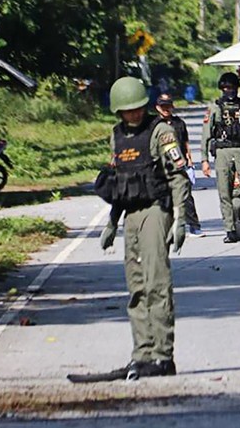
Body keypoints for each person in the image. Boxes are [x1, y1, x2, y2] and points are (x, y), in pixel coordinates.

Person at [69, 77, 189, 383]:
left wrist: (180, 219)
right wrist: (111, 222)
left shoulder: (160, 132)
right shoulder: (117, 137)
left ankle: (163, 355)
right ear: (118, 112)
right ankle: (142, 354)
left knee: (156, 284)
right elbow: (120, 182)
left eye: (137, 109)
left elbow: (177, 177)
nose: (133, 115)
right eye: (127, 111)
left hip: (154, 210)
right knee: (136, 287)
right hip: (130, 215)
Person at [202, 71, 240, 243]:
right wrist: (204, 160)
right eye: (226, 87)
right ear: (222, 89)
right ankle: (230, 229)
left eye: (232, 87)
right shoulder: (215, 108)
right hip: (222, 152)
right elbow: (206, 135)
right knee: (224, 192)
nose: (229, 91)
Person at [155, 93, 203, 237]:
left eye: (168, 106)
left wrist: (189, 159)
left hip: (180, 165)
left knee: (186, 196)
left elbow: (185, 142)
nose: (166, 109)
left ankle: (194, 226)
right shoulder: (153, 124)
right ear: (157, 107)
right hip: (161, 165)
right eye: (163, 106)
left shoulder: (179, 123)